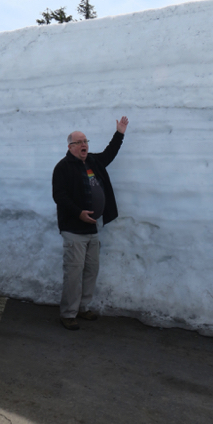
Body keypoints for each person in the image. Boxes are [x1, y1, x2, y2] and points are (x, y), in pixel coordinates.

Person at [52, 116, 129, 330]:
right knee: (74, 273)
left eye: (86, 141)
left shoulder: (93, 161)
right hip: (73, 229)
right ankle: (68, 313)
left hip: (92, 229)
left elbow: (110, 153)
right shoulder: (63, 167)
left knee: (91, 270)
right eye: (79, 142)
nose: (84, 145)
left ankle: (83, 308)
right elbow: (59, 196)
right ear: (70, 146)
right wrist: (78, 213)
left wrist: (119, 133)